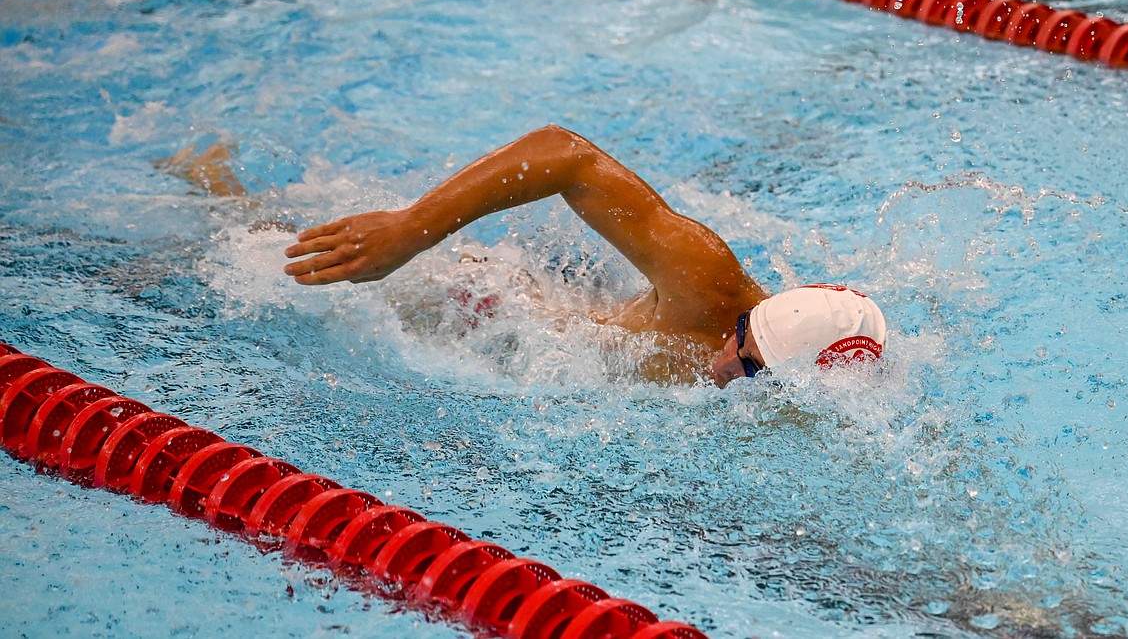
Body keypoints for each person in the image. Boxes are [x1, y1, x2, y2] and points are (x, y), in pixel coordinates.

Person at [281, 125, 887, 386]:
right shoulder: (708, 282)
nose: (728, 366)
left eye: (754, 371)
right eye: (741, 342)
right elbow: (563, 153)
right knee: (283, 253)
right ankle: (216, 188)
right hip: (491, 311)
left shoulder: (834, 387)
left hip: (571, 324)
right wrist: (408, 230)